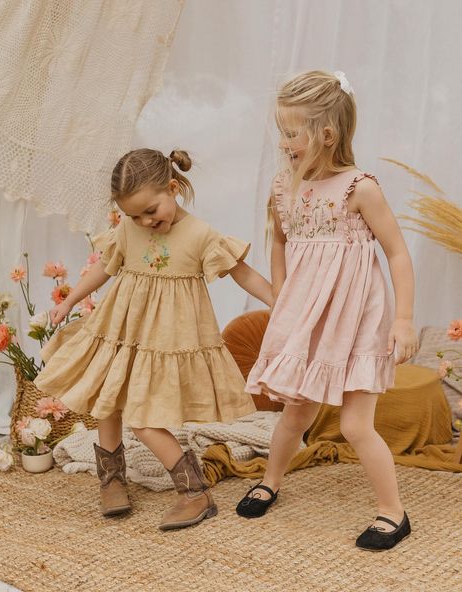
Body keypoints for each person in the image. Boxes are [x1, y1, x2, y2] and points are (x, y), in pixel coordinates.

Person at [35, 148, 273, 530]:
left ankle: (194, 491)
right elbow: (104, 268)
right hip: (122, 329)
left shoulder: (199, 235)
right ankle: (112, 478)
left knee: (143, 417)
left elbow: (243, 274)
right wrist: (71, 301)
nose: (145, 221)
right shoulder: (129, 230)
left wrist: (281, 304)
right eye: (134, 215)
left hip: (165, 339)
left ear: (173, 188)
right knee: (107, 400)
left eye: (151, 210)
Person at [235, 70, 418, 552]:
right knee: (295, 412)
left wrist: (403, 319)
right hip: (310, 316)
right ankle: (271, 480)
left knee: (356, 424)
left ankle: (393, 513)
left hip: (356, 317)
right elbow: (278, 242)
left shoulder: (360, 188)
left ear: (326, 136)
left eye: (291, 132)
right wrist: (282, 297)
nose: (283, 142)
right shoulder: (283, 188)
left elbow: (397, 252)